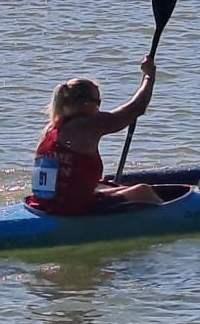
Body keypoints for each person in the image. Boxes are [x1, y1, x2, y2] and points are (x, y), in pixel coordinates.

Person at [27, 61, 163, 215]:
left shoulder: (50, 129)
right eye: (98, 102)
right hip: (69, 211)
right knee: (143, 191)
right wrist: (149, 76)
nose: (99, 108)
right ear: (85, 103)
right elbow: (136, 108)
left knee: (108, 186)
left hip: (42, 204)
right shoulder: (87, 125)